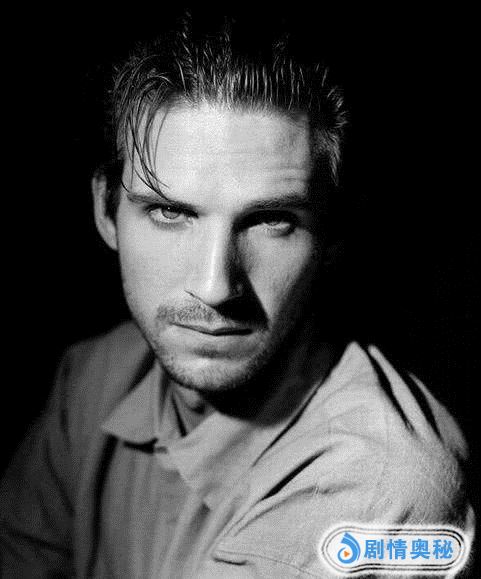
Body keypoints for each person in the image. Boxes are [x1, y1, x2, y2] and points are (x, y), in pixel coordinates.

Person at [0, 12, 475, 578]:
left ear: (331, 236)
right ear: (106, 210)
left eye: (272, 220)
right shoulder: (93, 377)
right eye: (170, 212)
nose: (215, 287)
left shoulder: (376, 494)